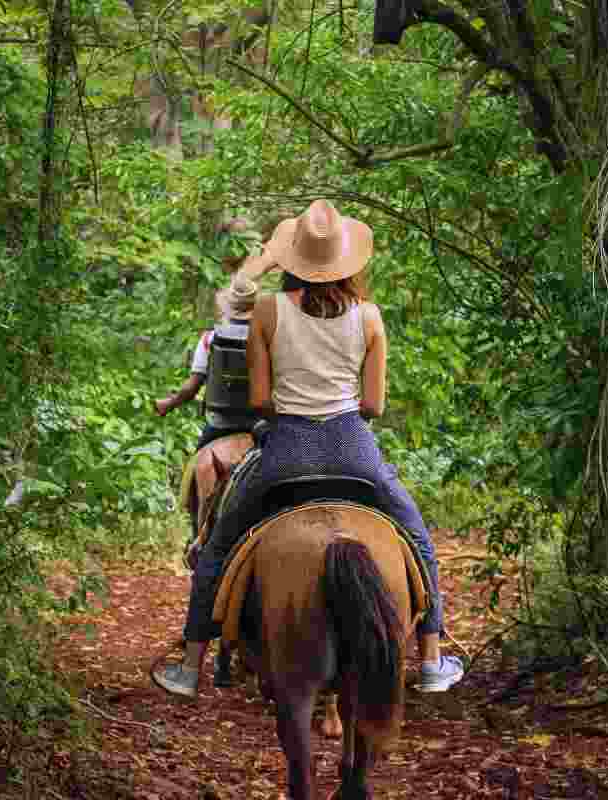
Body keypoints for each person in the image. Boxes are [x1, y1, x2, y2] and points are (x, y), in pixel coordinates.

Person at [152, 199, 463, 698]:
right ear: (346, 262)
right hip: (353, 449)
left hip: (285, 452)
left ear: (294, 261)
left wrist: (291, 408)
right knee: (419, 540)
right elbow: (374, 404)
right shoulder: (370, 317)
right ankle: (430, 660)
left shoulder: (269, 311)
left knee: (215, 546)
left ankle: (190, 665)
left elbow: (258, 400)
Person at [154, 278, 258, 450]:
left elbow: (190, 389)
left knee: (193, 470)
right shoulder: (271, 339)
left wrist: (170, 403)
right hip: (261, 423)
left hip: (221, 423)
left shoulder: (210, 339)